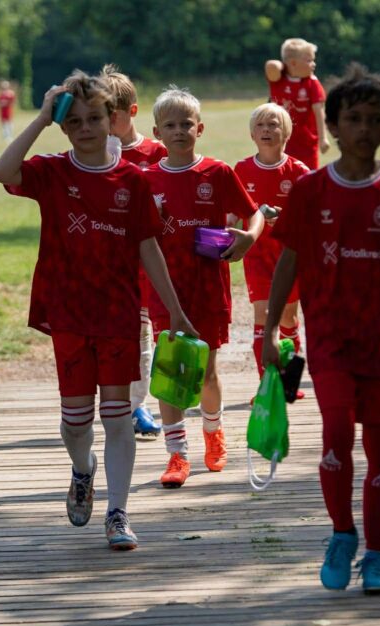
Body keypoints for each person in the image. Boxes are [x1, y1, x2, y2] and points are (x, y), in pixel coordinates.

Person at [0, 70, 196, 551]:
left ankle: (118, 513)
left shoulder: (133, 180)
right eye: (75, 121)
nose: (85, 128)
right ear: (64, 126)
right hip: (68, 312)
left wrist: (175, 310)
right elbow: (3, 172)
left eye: (95, 118)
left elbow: (148, 247)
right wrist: (42, 117)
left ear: (113, 119)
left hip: (118, 313)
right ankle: (83, 469)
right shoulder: (52, 171)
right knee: (76, 423)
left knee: (118, 417)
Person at [263, 63, 380, 594]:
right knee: (337, 432)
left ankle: (378, 555)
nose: (364, 128)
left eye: (375, 119)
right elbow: (289, 261)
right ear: (334, 126)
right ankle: (342, 533)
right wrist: (270, 330)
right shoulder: (310, 191)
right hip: (331, 341)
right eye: (353, 118)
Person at [144, 86, 264, 488]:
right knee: (169, 370)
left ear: (200, 128)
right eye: (170, 125)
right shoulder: (146, 180)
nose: (179, 131)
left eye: (186, 124)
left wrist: (248, 238)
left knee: (206, 370)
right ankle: (177, 454)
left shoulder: (217, 173)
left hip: (208, 288)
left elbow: (253, 215)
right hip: (165, 291)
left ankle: (213, 433)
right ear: (157, 132)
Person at [100, 64, 168, 439]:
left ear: (133, 111)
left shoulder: (156, 152)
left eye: (115, 115)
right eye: (101, 115)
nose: (108, 124)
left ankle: (139, 403)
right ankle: (126, 404)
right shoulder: (94, 153)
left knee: (151, 336)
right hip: (111, 265)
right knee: (124, 337)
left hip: (151, 262)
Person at [233, 103, 309, 390]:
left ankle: (289, 383)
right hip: (257, 256)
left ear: (286, 133)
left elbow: (312, 217)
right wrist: (225, 230)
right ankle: (267, 386)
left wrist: (285, 218)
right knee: (263, 316)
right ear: (252, 134)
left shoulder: (299, 171)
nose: (266, 130)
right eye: (260, 125)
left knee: (288, 318)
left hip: (289, 257)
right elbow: (231, 213)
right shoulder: (241, 170)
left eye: (273, 124)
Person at [264, 38, 330, 169]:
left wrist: (323, 138)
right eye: (309, 60)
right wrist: (283, 66)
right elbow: (271, 66)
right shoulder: (278, 79)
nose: (313, 64)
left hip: (307, 144)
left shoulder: (312, 82)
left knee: (308, 176)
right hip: (279, 141)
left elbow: (319, 111)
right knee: (281, 176)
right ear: (293, 63)